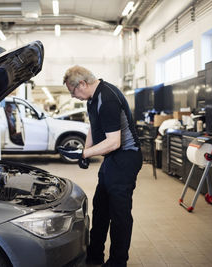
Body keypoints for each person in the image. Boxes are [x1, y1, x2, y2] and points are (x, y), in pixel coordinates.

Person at [61, 66, 142, 267]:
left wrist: (83, 153)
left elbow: (114, 141)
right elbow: (93, 126)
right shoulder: (92, 99)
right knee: (100, 208)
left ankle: (117, 261)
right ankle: (95, 255)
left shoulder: (107, 98)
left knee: (119, 213)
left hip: (125, 158)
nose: (74, 96)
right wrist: (85, 152)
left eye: (73, 92)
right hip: (112, 159)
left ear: (82, 84)